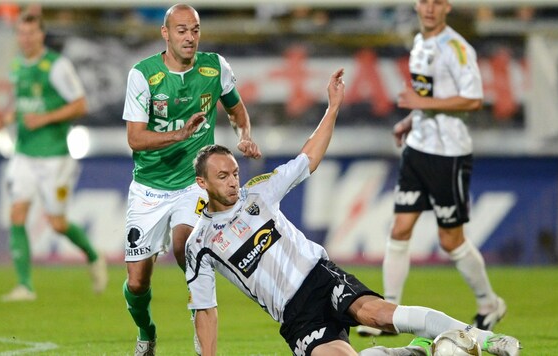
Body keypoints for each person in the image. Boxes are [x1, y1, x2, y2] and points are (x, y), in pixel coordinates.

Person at [185, 69, 521, 356]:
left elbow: (307, 160)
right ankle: (417, 350)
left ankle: (487, 340)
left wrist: (332, 108)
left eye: (234, 173)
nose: (233, 182)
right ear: (202, 183)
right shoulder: (200, 244)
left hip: (320, 275)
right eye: (223, 177)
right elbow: (204, 309)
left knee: (380, 315)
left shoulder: (256, 194)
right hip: (295, 316)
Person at [358, 0, 505, 336]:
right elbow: (431, 95)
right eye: (424, 1)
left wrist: (421, 104)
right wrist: (411, 120)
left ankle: (489, 303)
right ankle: (388, 315)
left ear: (447, 7)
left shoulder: (457, 48)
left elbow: (474, 99)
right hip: (418, 149)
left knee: (450, 240)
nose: (429, 8)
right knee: (399, 229)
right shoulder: (420, 42)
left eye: (437, 2)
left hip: (448, 154)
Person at [121, 4, 261, 355]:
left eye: (195, 29)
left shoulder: (215, 67)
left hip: (191, 185)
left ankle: (204, 345)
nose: (190, 37)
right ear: (165, 33)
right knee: (137, 282)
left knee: (189, 246)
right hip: (149, 188)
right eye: (181, 30)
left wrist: (243, 134)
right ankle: (146, 332)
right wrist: (180, 135)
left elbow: (236, 109)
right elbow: (135, 138)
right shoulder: (143, 74)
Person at [0, 12, 107, 302]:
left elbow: (80, 104)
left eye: (31, 33)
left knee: (56, 223)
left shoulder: (57, 67)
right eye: (22, 33)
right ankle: (24, 286)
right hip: (24, 153)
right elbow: (25, 106)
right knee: (16, 213)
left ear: (41, 36)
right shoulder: (17, 65)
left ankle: (94, 256)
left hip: (55, 157)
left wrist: (44, 119)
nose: (26, 39)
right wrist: (8, 116)